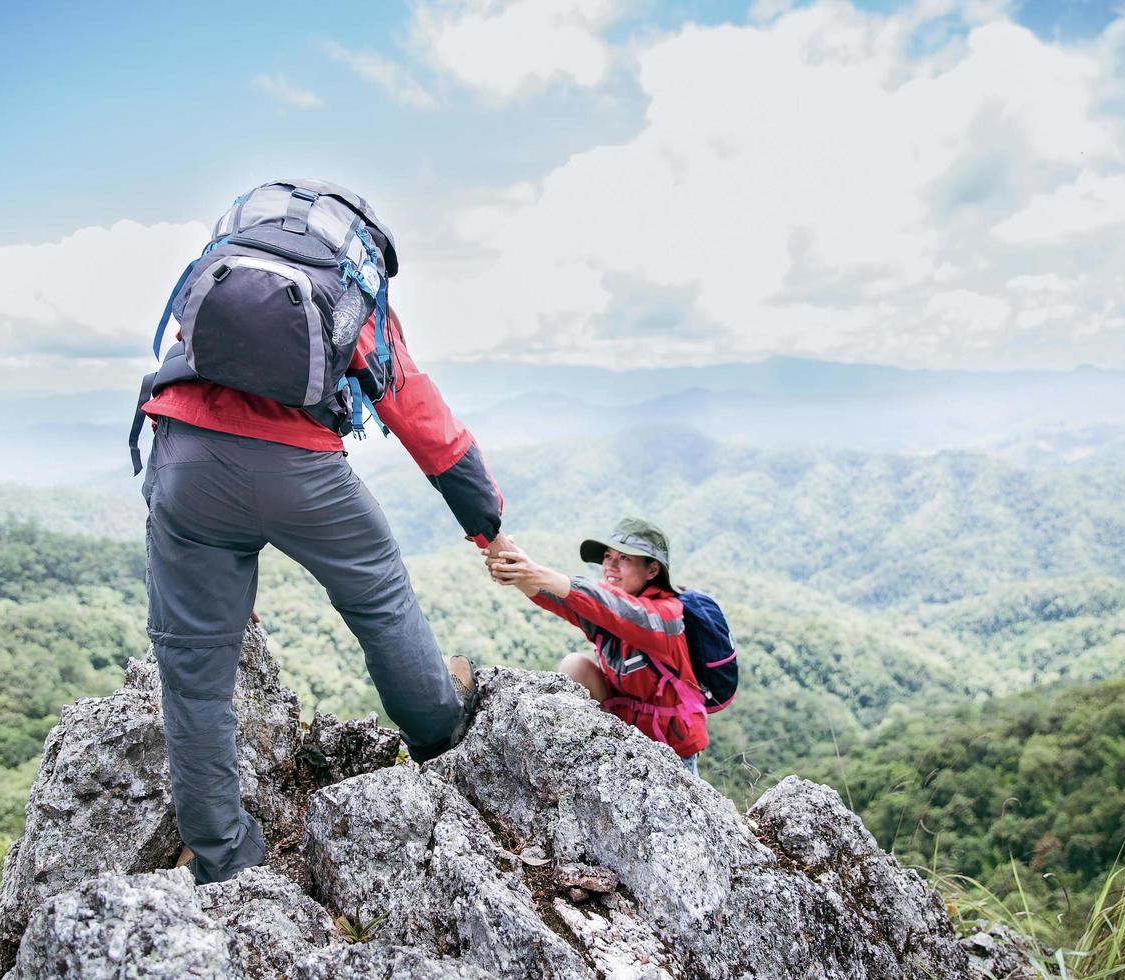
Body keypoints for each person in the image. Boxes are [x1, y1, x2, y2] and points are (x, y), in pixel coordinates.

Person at [139, 190, 509, 886]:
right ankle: (438, 739)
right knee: (380, 599)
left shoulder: (219, 270)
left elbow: (177, 388)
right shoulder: (348, 286)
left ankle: (224, 861)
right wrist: (481, 512)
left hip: (186, 471)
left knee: (195, 677)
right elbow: (414, 406)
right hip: (305, 475)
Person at [486, 518, 708, 774]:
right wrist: (514, 569)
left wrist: (536, 572)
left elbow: (617, 608)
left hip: (673, 754)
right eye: (607, 556)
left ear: (652, 570)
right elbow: (553, 596)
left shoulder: (666, 616)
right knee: (574, 665)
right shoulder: (606, 612)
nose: (610, 566)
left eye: (624, 558)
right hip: (625, 739)